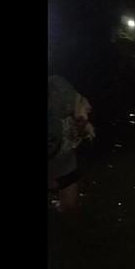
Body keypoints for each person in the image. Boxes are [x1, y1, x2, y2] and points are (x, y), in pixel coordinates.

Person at [48, 74, 95, 212]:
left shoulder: (60, 87)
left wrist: (81, 124)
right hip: (61, 159)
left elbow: (81, 113)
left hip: (64, 158)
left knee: (69, 209)